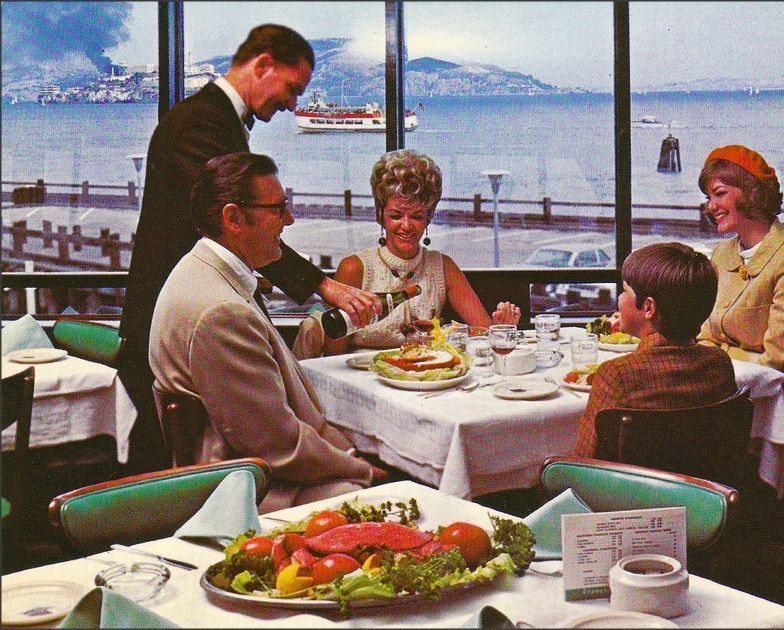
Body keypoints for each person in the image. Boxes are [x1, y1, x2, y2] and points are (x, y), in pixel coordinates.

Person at [119, 24, 380, 473]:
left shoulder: (212, 119)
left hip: (183, 318)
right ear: (263, 65)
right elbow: (245, 228)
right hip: (182, 326)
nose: (293, 105)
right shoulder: (200, 124)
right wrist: (324, 285)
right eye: (292, 89)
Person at [150, 152, 387, 513]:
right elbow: (279, 448)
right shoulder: (221, 314)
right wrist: (364, 470)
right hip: (248, 491)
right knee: (385, 501)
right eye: (278, 209)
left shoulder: (199, 271)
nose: (289, 219)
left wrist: (348, 453)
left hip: (247, 470)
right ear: (233, 218)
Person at [293, 149, 521, 358]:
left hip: (425, 376)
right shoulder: (355, 268)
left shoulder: (443, 267)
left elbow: (484, 332)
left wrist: (502, 324)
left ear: (428, 218)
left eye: (417, 216)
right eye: (396, 215)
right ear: (381, 216)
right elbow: (333, 358)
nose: (406, 225)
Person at [573, 242, 737, 458]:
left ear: (648, 308)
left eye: (625, 291)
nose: (620, 298)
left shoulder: (617, 374)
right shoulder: (720, 363)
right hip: (704, 480)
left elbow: (584, 460)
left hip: (631, 482)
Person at [696, 144, 784, 430]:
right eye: (708, 197)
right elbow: (705, 336)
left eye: (719, 194)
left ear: (752, 192)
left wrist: (717, 357)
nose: (710, 206)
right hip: (723, 395)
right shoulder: (722, 254)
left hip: (771, 410)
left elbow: (775, 359)